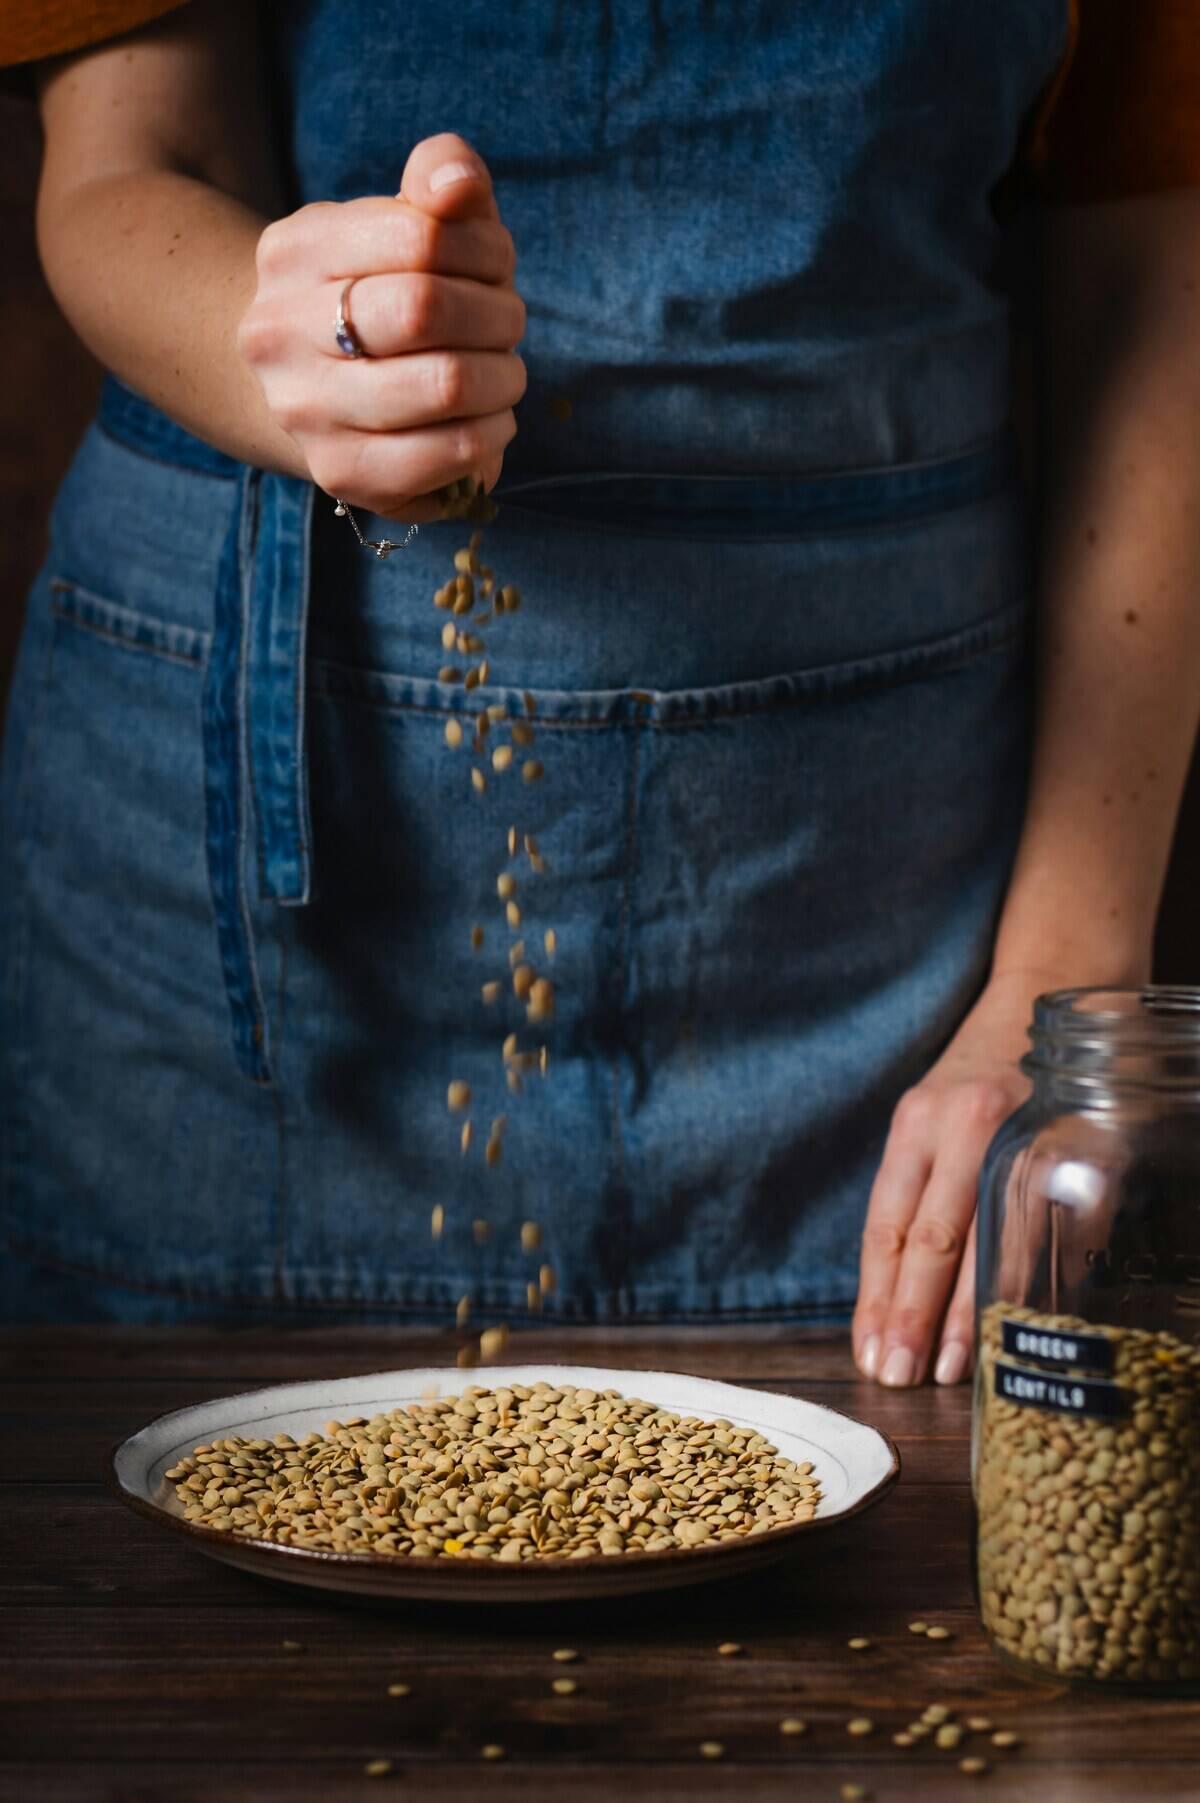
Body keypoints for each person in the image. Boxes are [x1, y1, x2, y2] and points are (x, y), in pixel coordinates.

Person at [1, 2, 1198, 1384]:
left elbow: (1149, 249)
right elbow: (127, 159)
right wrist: (305, 347)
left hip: (879, 926)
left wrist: (1064, 979)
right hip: (257, 922)